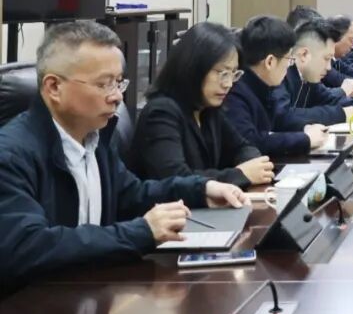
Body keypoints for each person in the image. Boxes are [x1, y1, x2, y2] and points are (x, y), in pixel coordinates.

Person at [0, 21, 248, 289]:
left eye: (119, 83)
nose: (117, 97)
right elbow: (28, 247)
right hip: (31, 306)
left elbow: (132, 195)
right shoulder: (11, 155)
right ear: (53, 87)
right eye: (104, 84)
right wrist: (142, 232)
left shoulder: (96, 138)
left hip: (88, 291)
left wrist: (201, 190)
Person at [131, 23, 274, 189]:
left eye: (233, 74)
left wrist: (255, 166)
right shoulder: (161, 113)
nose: (228, 84)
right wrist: (240, 174)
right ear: (193, 67)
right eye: (222, 73)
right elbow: (176, 178)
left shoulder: (208, 109)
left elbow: (243, 147)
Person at [224, 16, 329, 156]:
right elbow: (250, 141)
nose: (289, 66)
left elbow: (279, 119)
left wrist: (305, 128)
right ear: (270, 62)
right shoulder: (235, 91)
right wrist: (305, 139)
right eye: (289, 60)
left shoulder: (262, 85)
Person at [279, 19, 353, 125]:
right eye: (326, 59)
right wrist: (341, 114)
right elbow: (282, 116)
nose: (328, 68)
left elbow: (332, 100)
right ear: (304, 54)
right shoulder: (280, 75)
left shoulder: (308, 78)